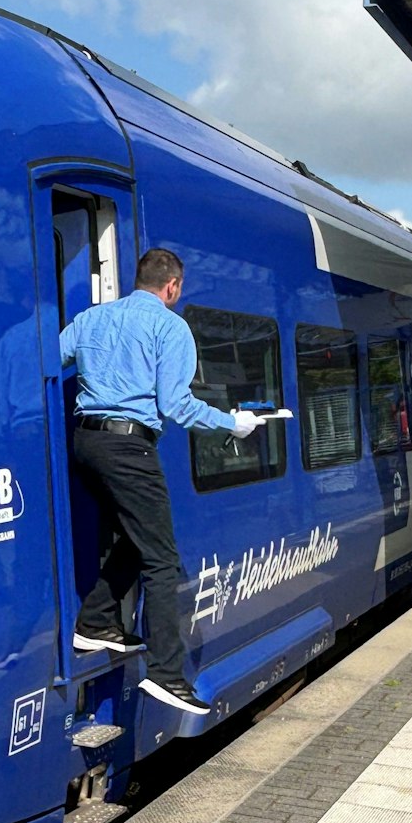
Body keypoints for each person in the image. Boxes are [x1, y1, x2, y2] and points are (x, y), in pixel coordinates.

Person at [59, 247, 261, 715]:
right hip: (130, 448)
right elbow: (176, 404)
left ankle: (96, 622)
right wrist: (232, 423)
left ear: (140, 279)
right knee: (163, 559)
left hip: (86, 445)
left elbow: (52, 357)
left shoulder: (92, 319)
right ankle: (168, 675)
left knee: (134, 537)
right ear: (172, 287)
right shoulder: (169, 326)